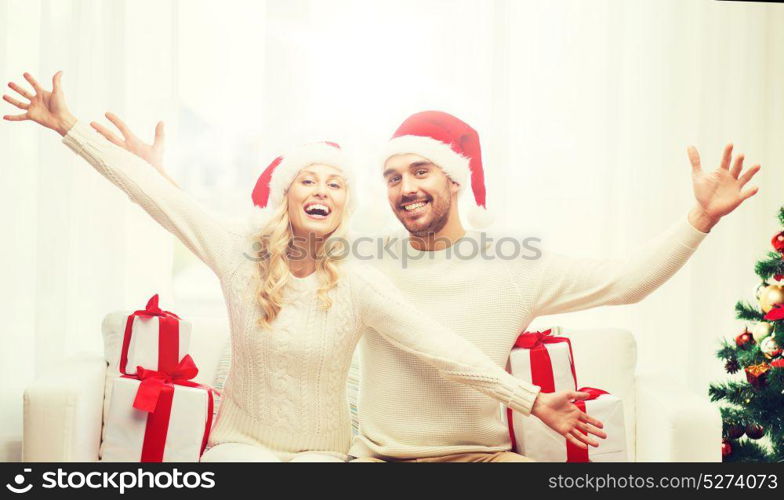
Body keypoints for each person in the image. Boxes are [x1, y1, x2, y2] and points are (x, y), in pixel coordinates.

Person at [3, 73, 607, 462]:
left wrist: (529, 400)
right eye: (306, 180)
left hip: (325, 453)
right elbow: (166, 204)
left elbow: (438, 346)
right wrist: (71, 128)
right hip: (241, 444)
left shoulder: (361, 279)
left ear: (345, 205)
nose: (320, 189)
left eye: (336, 183)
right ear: (286, 198)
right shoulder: (239, 255)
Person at [347, 110, 761, 462]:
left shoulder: (511, 265)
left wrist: (702, 218)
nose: (406, 189)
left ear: (454, 180)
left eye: (421, 172)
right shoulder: (368, 260)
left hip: (480, 459)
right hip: (378, 459)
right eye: (393, 178)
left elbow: (625, 282)